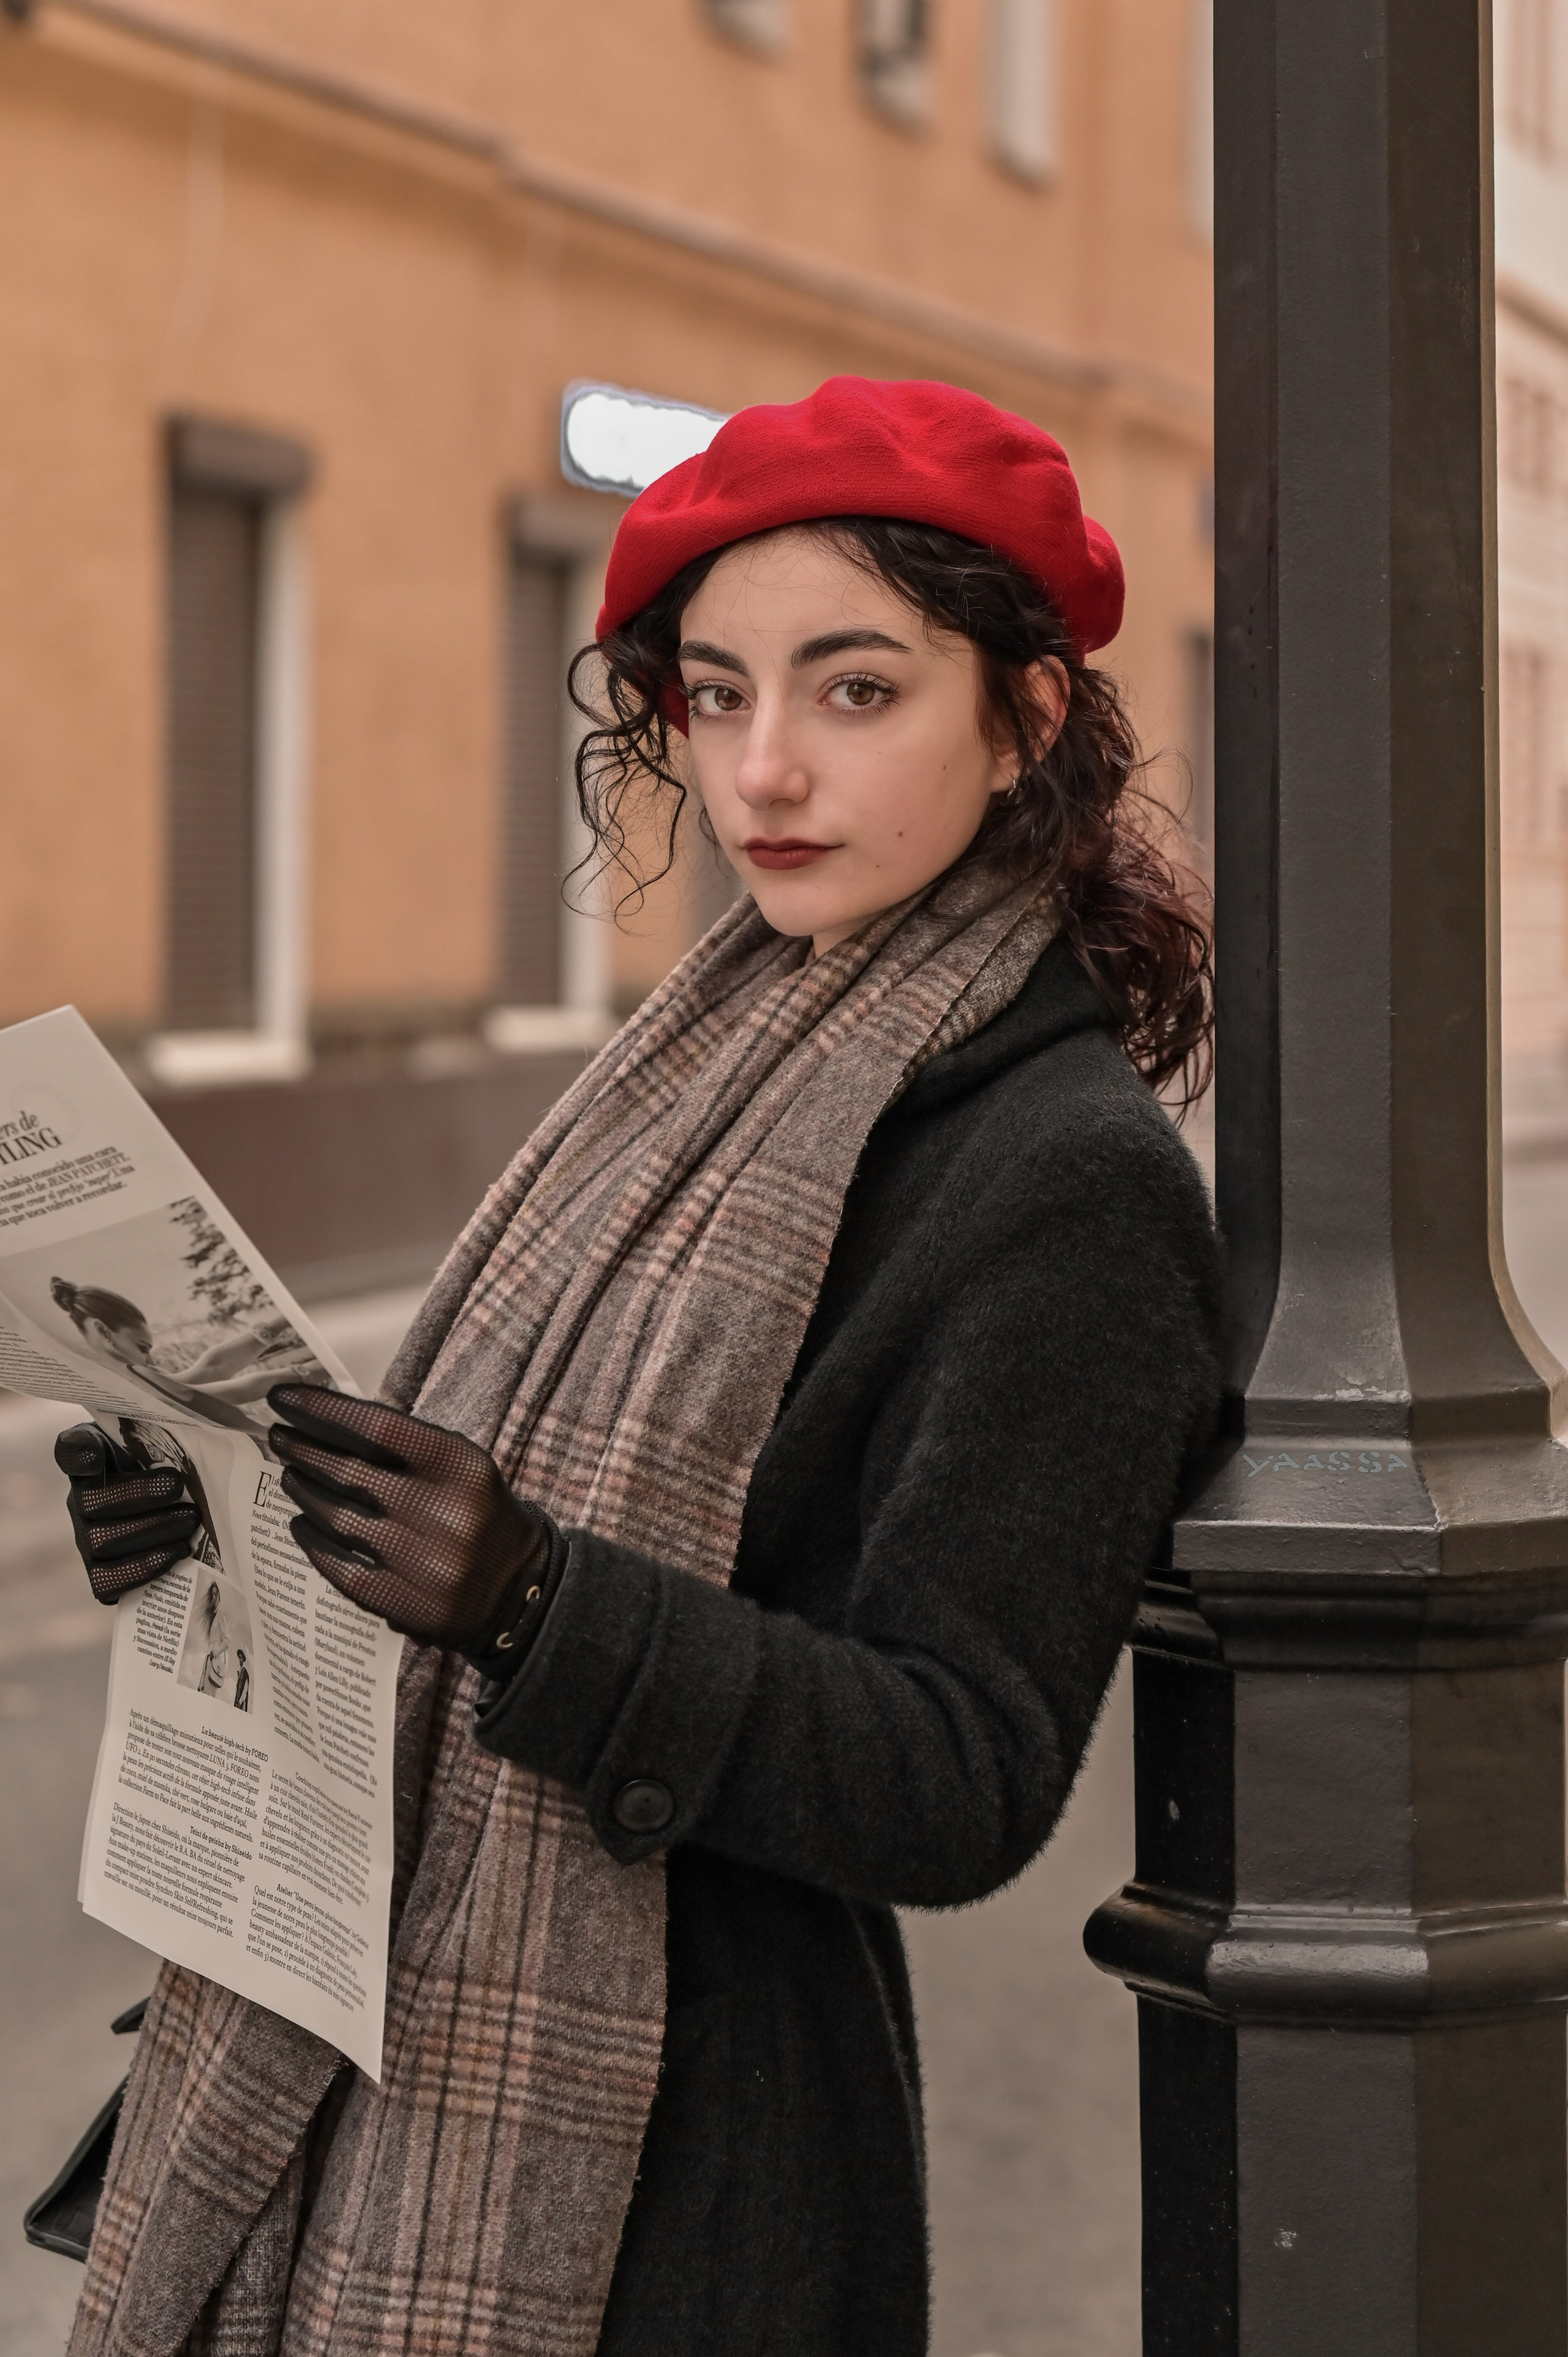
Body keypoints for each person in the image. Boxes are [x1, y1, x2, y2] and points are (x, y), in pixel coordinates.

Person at [58, 377, 1221, 2357]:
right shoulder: (691, 1062)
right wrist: (228, 1531)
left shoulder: (1065, 1178)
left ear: (1027, 716)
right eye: (717, 693)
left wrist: (533, 1602)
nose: (764, 767)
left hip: (674, 2185)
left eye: (858, 691)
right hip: (370, 2036)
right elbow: (470, 1560)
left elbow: (961, 1773)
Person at [48, 1277, 325, 1441]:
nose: (148, 1357)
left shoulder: (128, 1373)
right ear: (103, 1331)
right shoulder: (132, 1375)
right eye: (142, 1347)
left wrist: (277, 1325)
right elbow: (233, 1390)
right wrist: (313, 1370)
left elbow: (209, 1369)